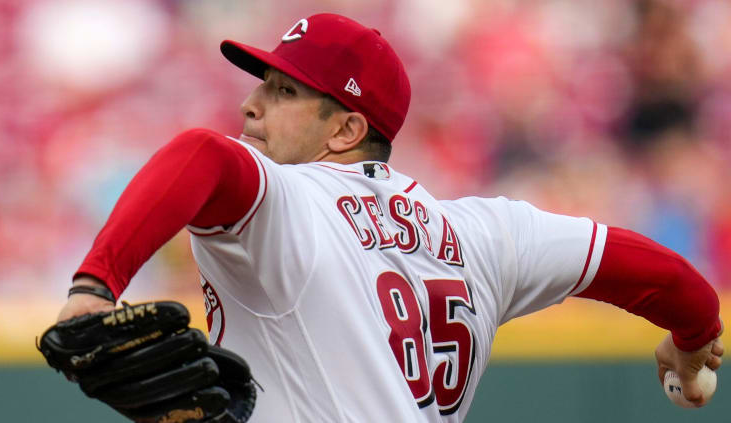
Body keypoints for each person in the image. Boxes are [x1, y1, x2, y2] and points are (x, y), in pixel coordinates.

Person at [56, 13, 723, 422]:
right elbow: (659, 273)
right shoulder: (485, 234)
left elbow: (199, 154)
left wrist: (93, 286)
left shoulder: (290, 203)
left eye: (284, 91)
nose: (251, 105)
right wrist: (692, 342)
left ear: (346, 128)